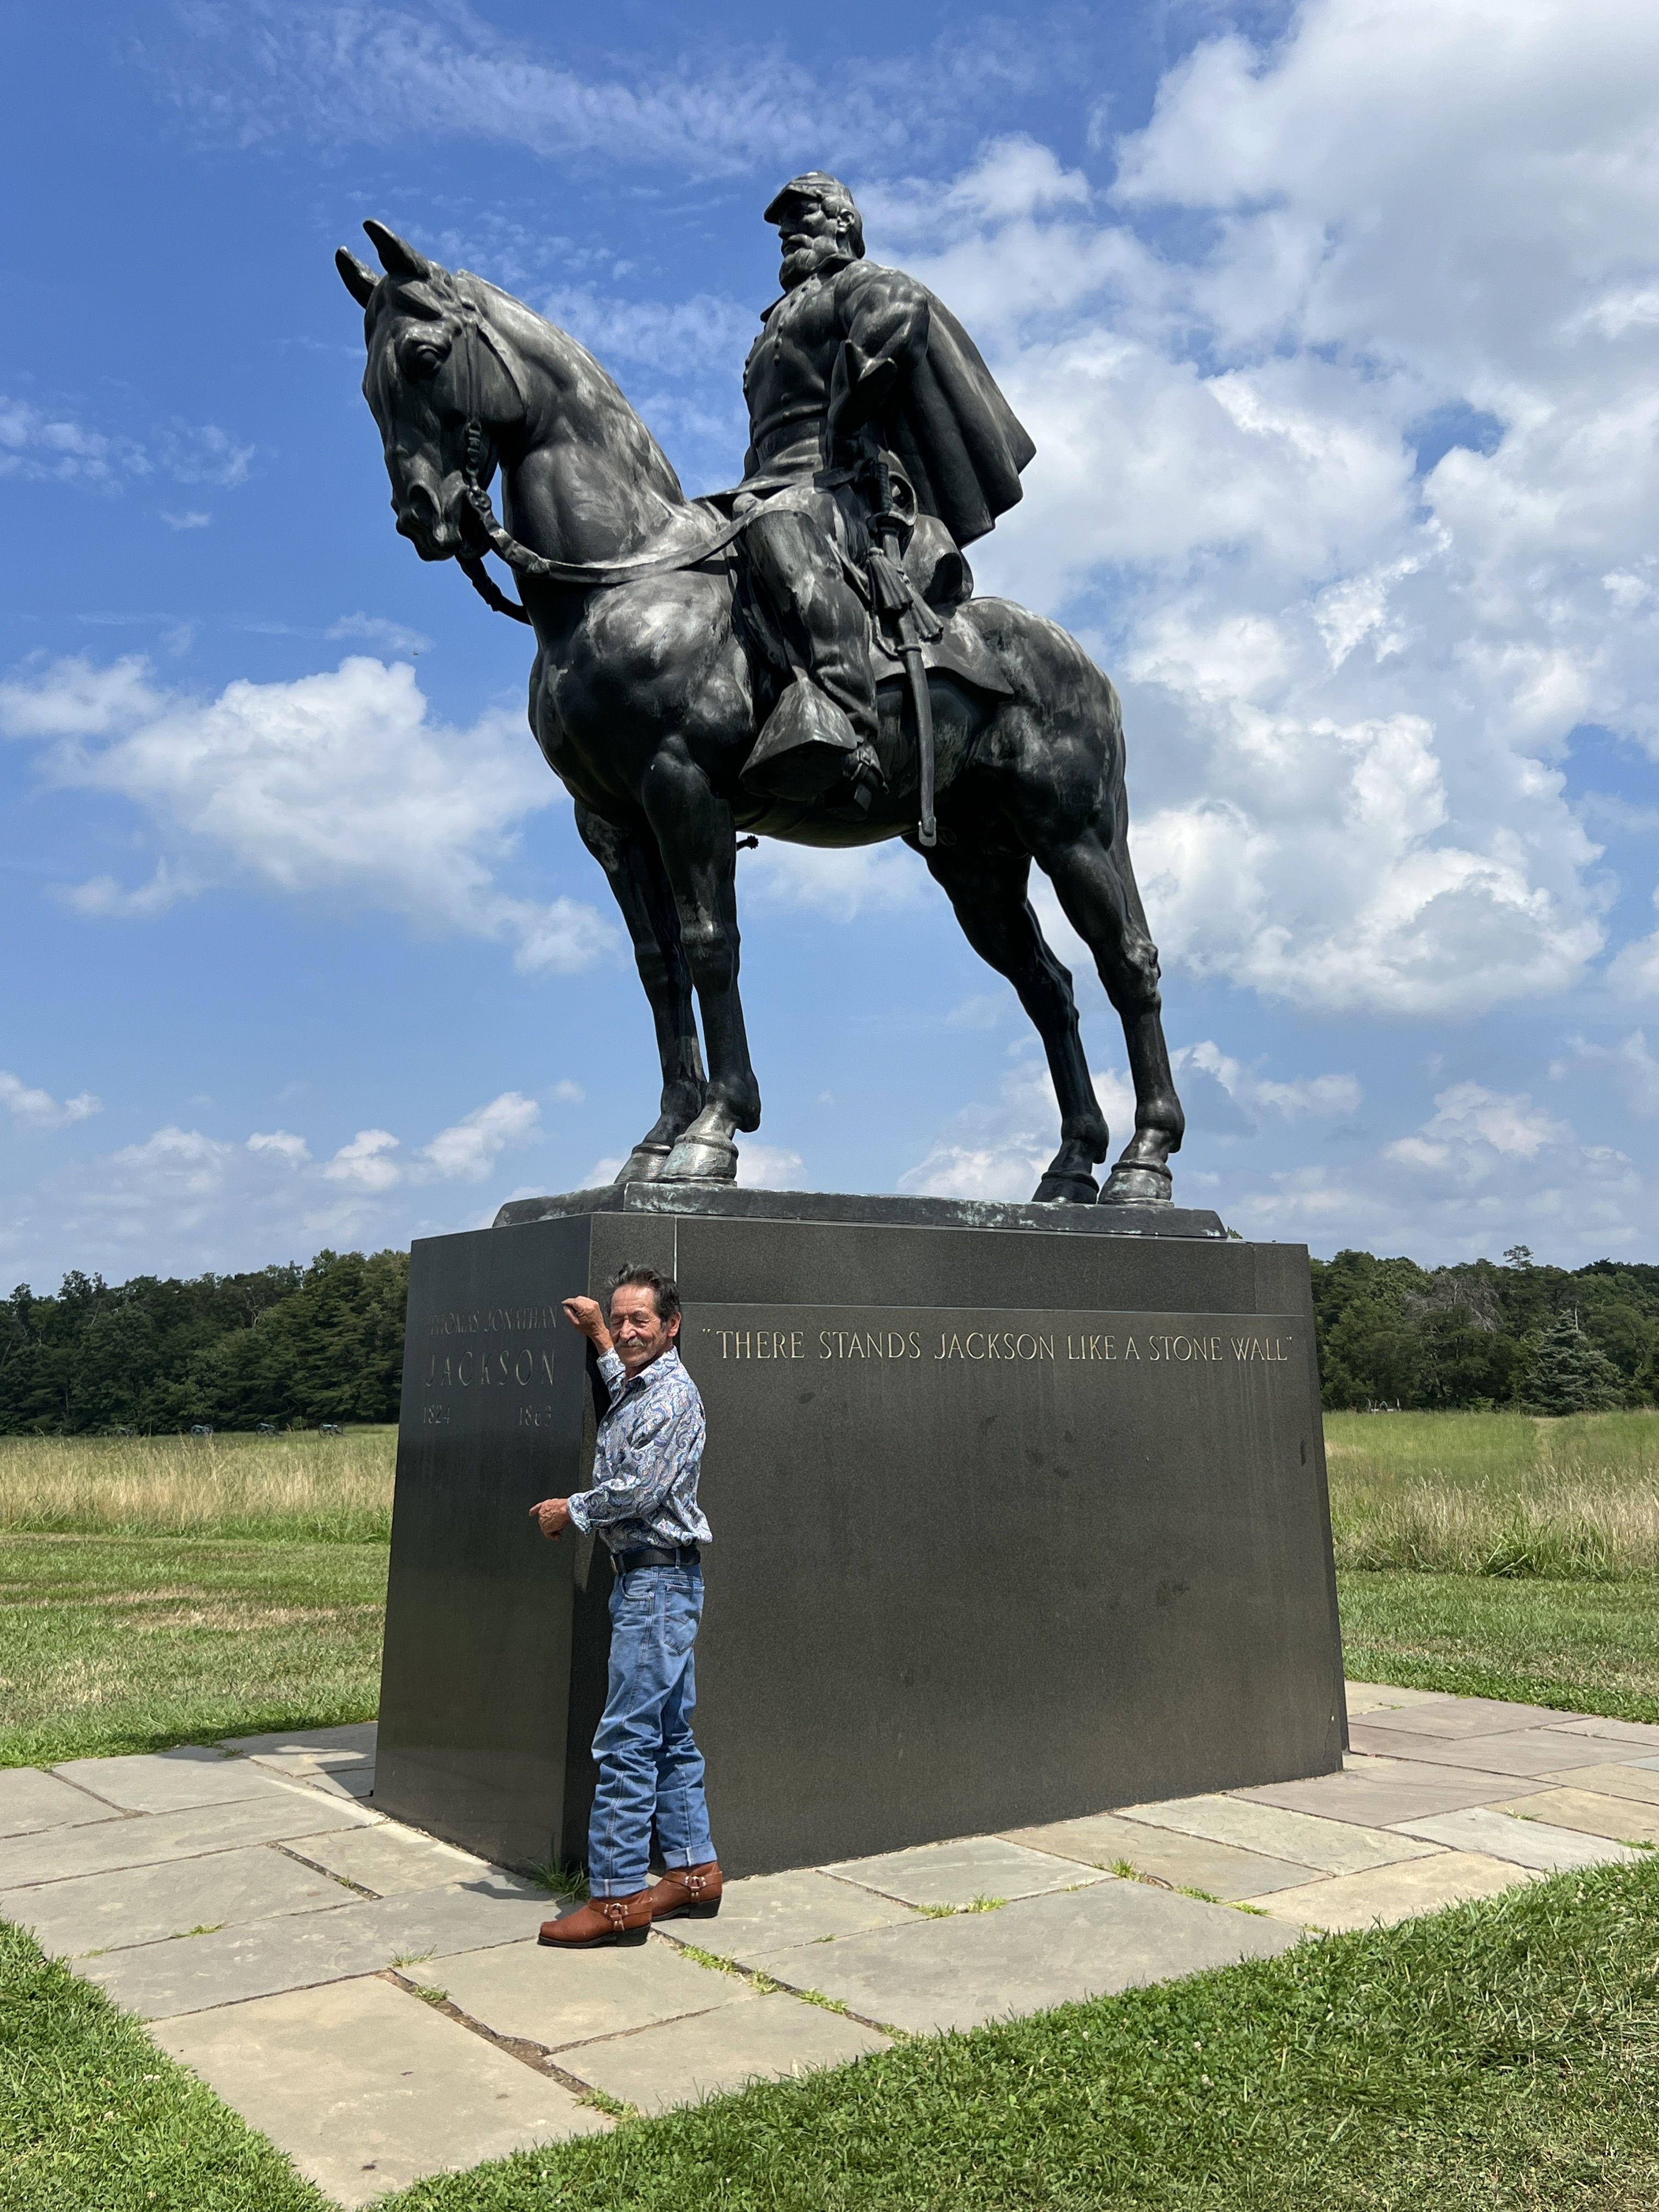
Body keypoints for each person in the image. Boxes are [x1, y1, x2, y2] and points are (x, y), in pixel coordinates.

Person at [735, 169, 1035, 805]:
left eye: (804, 215)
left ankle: (848, 718)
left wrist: (855, 398)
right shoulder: (768, 332)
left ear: (843, 222)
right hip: (773, 484)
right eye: (783, 225)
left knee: (775, 522)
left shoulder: (858, 284)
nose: (789, 232)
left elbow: (902, 308)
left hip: (847, 485)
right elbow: (759, 440)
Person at [528, 1264, 720, 1948]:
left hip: (655, 1587)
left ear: (672, 1326)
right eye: (622, 1317)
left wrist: (568, 1510)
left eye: (642, 1320)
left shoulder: (672, 1399)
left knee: (627, 1741)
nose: (631, 1329)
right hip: (656, 1584)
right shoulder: (647, 1385)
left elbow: (637, 1490)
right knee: (668, 1734)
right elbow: (626, 1400)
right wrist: (602, 1341)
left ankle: (615, 1901)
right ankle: (693, 1873)